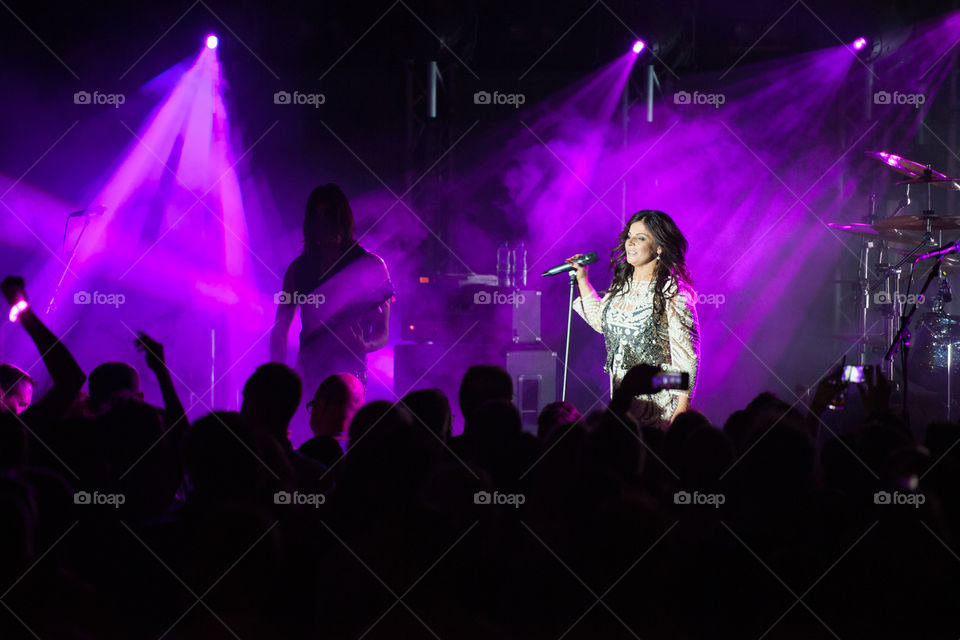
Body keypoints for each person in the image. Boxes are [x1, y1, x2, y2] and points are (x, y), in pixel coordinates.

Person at [568, 210, 700, 423]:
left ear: (659, 247)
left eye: (640, 238)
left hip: (660, 406)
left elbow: (687, 360)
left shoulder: (673, 293)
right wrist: (583, 280)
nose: (630, 243)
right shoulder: (622, 287)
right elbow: (600, 323)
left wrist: (681, 410)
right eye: (629, 236)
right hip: (623, 403)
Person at [270, 184, 393, 395]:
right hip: (307, 377)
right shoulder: (298, 269)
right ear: (312, 225)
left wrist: (365, 345)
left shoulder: (371, 266)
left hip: (350, 380)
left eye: (332, 219)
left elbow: (383, 331)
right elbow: (280, 330)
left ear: (344, 220)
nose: (328, 228)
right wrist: (279, 379)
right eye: (320, 221)